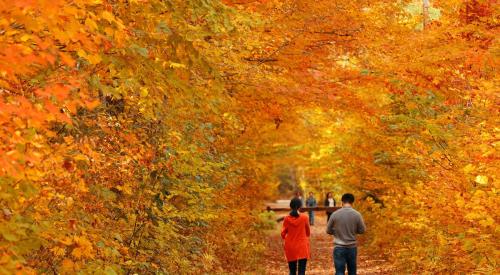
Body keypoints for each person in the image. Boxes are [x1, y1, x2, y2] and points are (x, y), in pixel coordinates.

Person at [326, 193, 366, 275]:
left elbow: (328, 230)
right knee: (352, 272)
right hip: (352, 247)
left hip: (339, 247)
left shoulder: (335, 214)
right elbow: (362, 230)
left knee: (339, 272)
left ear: (342, 202)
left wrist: (336, 232)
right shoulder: (357, 214)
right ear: (352, 202)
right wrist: (354, 231)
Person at [281, 197, 311, 275]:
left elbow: (283, 234)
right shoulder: (305, 217)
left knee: (292, 271)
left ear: (290, 206)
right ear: (300, 206)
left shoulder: (286, 219)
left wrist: (288, 237)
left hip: (290, 246)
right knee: (302, 272)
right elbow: (308, 233)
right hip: (302, 246)